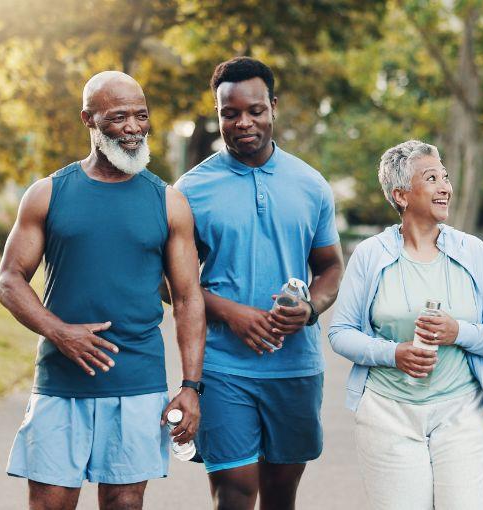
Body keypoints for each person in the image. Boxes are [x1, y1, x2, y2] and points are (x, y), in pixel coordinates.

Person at [0, 71, 206, 510]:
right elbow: (9, 281)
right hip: (60, 382)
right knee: (50, 503)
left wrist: (190, 386)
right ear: (88, 120)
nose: (133, 128)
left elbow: (187, 299)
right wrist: (60, 332)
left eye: (141, 116)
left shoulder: (168, 202)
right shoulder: (47, 194)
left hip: (138, 381)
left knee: (124, 504)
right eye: (118, 118)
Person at [174, 57, 344, 510]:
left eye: (254, 110)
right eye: (229, 114)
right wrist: (232, 314)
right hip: (224, 367)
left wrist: (310, 309)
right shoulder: (190, 191)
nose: (243, 122)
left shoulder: (312, 185)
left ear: (273, 107)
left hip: (296, 369)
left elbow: (330, 267)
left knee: (281, 493)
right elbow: (171, 283)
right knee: (235, 491)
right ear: (218, 116)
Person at [328, 140, 483, 510]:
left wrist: (457, 332)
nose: (445, 186)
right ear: (401, 195)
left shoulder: (472, 251)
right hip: (388, 414)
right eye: (432, 178)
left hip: (461, 412)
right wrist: (393, 353)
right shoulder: (371, 255)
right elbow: (340, 332)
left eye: (444, 177)